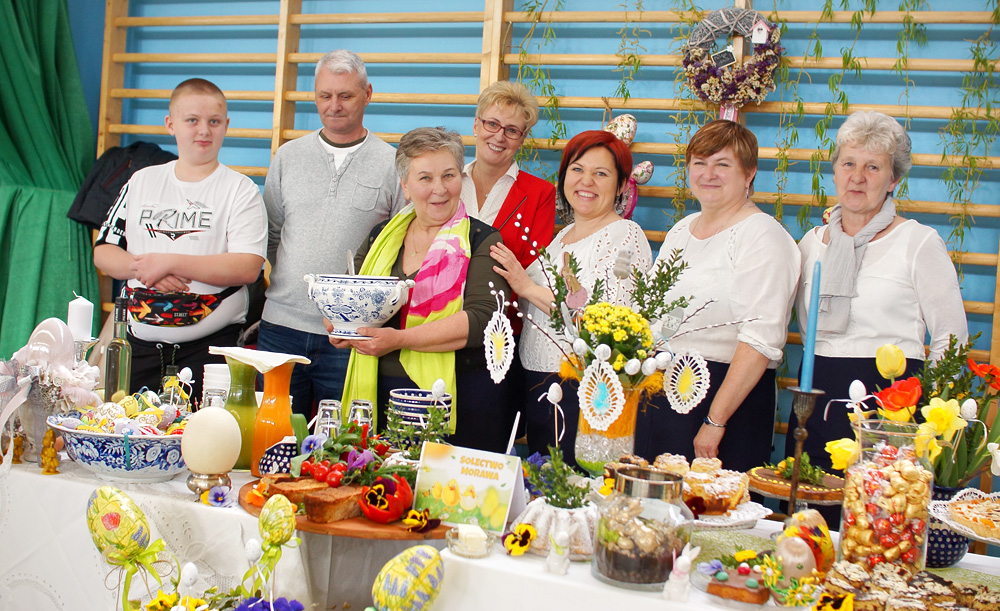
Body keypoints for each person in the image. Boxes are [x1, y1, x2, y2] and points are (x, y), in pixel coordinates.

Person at [787, 110, 968, 474]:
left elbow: (953, 337)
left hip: (892, 406)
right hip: (817, 397)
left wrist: (928, 412)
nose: (856, 177)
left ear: (893, 179)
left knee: (878, 520)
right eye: (848, 163)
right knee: (807, 521)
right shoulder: (811, 244)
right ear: (835, 171)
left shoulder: (918, 242)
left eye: (872, 167)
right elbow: (799, 329)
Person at [633, 120, 800, 474]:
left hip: (726, 401)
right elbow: (662, 315)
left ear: (749, 173)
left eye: (722, 164)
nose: (708, 174)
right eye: (699, 163)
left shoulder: (763, 235)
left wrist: (715, 419)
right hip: (665, 392)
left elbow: (760, 339)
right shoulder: (682, 230)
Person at [332, 127, 513, 453]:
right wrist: (341, 325)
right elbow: (352, 295)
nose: (440, 189)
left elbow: (482, 321)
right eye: (425, 178)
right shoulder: (380, 237)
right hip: (377, 392)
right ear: (404, 185)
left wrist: (399, 340)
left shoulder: (482, 240)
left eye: (449, 175)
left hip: (457, 398)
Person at [94, 78, 267, 402]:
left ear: (226, 125)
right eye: (192, 121)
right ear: (170, 124)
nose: (203, 131)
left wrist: (170, 262)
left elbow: (248, 267)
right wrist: (143, 268)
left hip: (210, 353)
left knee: (208, 449)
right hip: (139, 350)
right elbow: (104, 251)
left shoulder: (239, 189)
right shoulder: (141, 181)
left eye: (213, 122)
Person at [490, 130, 652, 466]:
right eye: (577, 169)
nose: (586, 181)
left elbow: (608, 325)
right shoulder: (562, 236)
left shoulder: (624, 235)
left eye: (601, 173)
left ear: (623, 185)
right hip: (537, 382)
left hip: (583, 388)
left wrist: (527, 286)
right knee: (546, 490)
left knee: (576, 488)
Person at [260, 50, 406, 417]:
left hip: (351, 336)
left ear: (368, 94)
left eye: (346, 96)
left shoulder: (393, 163)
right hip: (280, 327)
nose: (334, 106)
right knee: (270, 436)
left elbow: (401, 248)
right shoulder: (287, 157)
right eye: (325, 96)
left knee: (341, 447)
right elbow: (273, 236)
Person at [461, 80, 556, 440]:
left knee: (486, 449)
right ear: (476, 125)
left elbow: (532, 268)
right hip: (436, 330)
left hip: (499, 340)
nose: (499, 136)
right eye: (492, 124)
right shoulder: (449, 182)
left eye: (512, 130)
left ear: (522, 138)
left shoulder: (540, 194)